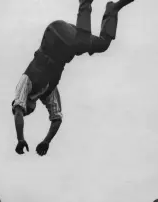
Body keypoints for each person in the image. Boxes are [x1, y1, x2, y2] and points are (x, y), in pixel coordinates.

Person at [12, 0, 135, 156]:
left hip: (55, 36)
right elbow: (56, 119)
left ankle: (85, 2)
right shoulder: (48, 92)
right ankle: (113, 9)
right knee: (103, 45)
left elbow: (17, 112)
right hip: (70, 40)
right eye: (28, 113)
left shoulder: (25, 82)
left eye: (25, 111)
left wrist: (20, 138)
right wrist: (46, 141)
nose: (26, 112)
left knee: (82, 42)